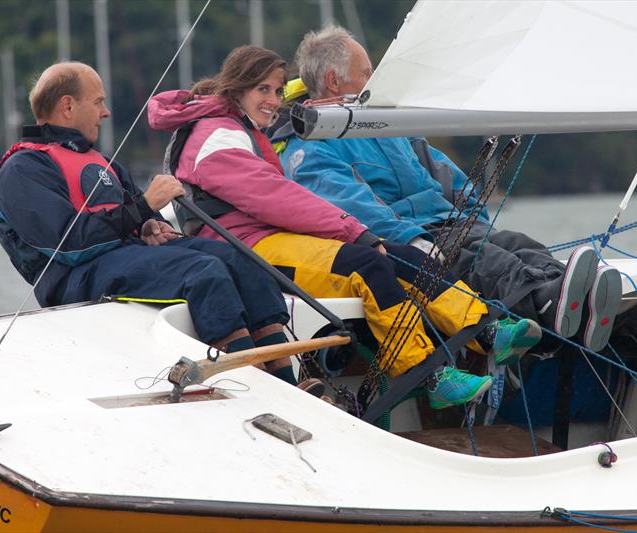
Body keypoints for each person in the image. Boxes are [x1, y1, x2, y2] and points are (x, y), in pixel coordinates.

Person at [148, 45, 544, 410]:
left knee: (401, 254)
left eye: (279, 90)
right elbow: (272, 196)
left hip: (272, 238)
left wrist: (360, 233)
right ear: (237, 89)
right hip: (250, 250)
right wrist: (351, 229)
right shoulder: (218, 135)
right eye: (263, 90)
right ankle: (430, 376)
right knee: (366, 264)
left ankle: (486, 330)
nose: (274, 100)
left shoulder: (236, 127)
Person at [273, 26, 623, 353]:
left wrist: (473, 213)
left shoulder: (382, 124)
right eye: (367, 72)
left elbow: (441, 169)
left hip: (447, 222)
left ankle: (575, 296)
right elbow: (353, 205)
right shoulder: (309, 148)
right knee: (487, 261)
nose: (373, 80)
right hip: (413, 237)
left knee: (515, 243)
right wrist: (412, 238)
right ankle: (548, 309)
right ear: (335, 80)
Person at [0, 61, 303, 386]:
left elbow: (131, 214)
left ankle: (286, 381)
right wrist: (143, 209)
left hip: (124, 257)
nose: (106, 111)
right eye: (98, 101)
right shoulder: (23, 168)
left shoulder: (100, 160)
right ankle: (255, 386)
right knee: (204, 271)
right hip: (75, 277)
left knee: (243, 259)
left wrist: (149, 224)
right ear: (68, 106)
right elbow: (68, 243)